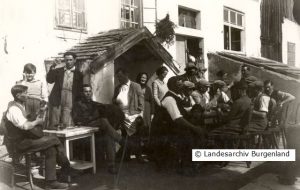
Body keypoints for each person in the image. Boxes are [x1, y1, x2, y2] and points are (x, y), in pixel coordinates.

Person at [5, 85, 78, 189]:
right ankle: (66, 168)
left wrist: (41, 111)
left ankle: (51, 182)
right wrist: (38, 121)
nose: (28, 95)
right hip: (19, 144)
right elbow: (26, 126)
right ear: (18, 95)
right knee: (54, 139)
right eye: (25, 93)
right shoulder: (13, 109)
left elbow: (28, 120)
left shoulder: (21, 106)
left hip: (26, 140)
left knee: (51, 148)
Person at [151, 76, 204, 176]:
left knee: (195, 130)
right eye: (179, 85)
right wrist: (194, 128)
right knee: (188, 134)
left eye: (181, 84)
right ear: (172, 86)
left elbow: (182, 111)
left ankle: (193, 162)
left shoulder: (176, 96)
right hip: (162, 129)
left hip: (170, 126)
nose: (181, 86)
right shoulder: (169, 98)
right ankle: (185, 166)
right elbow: (177, 118)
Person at [72, 84, 124, 174]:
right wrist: (93, 117)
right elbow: (77, 120)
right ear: (82, 93)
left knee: (109, 136)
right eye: (85, 91)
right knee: (103, 121)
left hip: (96, 129)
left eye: (89, 91)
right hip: (85, 128)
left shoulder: (94, 103)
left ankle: (111, 165)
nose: (88, 93)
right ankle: (120, 140)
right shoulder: (77, 105)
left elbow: (105, 109)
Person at [112, 68, 145, 161]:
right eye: (118, 77)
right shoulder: (118, 88)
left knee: (135, 136)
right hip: (121, 115)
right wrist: (117, 102)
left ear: (126, 75)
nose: (119, 79)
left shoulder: (135, 86)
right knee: (124, 135)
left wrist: (138, 113)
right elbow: (113, 100)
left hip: (132, 114)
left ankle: (138, 156)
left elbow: (141, 101)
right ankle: (126, 156)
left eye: (120, 76)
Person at [46, 52, 83, 129]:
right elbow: (49, 80)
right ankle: (53, 139)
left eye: (70, 60)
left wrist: (78, 103)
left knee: (66, 121)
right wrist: (53, 66)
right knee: (54, 121)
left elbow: (80, 90)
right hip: (58, 97)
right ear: (64, 61)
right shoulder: (58, 71)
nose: (68, 62)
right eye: (66, 60)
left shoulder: (79, 74)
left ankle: (64, 140)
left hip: (70, 97)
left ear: (75, 60)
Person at [136, 72, 155, 138]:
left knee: (146, 125)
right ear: (139, 78)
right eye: (142, 77)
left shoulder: (148, 89)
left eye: (145, 78)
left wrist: (152, 113)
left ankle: (146, 142)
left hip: (147, 108)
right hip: (137, 107)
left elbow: (152, 101)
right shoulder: (134, 87)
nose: (144, 79)